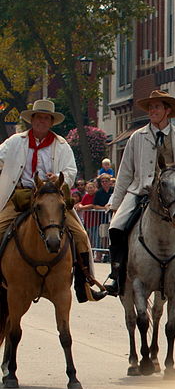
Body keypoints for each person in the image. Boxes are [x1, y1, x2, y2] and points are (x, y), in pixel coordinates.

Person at [105, 90, 175, 297]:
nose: (152, 111)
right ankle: (117, 273)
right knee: (116, 227)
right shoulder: (136, 138)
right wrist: (115, 203)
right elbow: (125, 173)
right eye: (150, 107)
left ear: (168, 111)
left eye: (157, 107)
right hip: (142, 189)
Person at [0, 99, 106, 303]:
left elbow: (71, 172)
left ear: (51, 122)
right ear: (32, 120)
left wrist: (57, 176)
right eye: (38, 117)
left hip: (51, 198)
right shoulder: (15, 141)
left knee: (81, 235)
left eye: (46, 118)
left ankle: (84, 285)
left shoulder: (61, 145)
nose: (42, 121)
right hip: (23, 196)